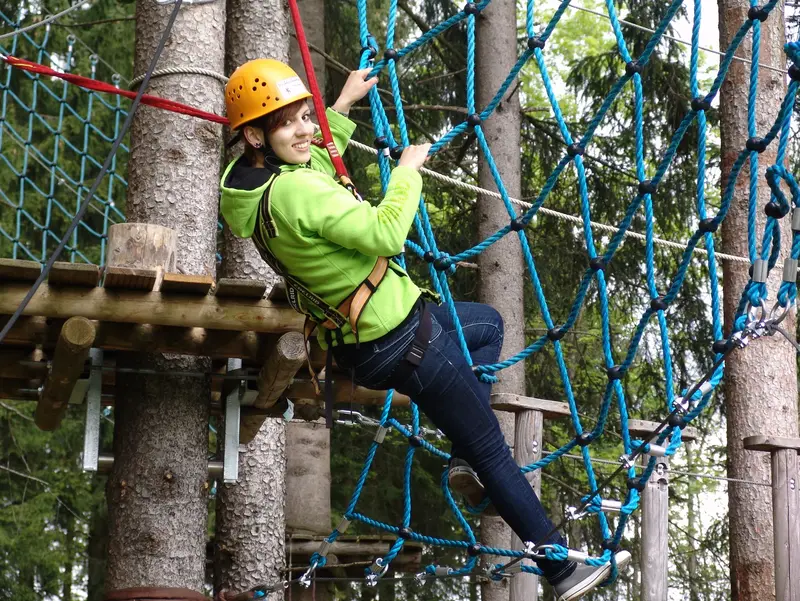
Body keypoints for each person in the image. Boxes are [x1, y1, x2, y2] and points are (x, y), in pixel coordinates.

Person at [219, 58, 630, 601]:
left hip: (373, 335)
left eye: (305, 116)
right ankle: (559, 567)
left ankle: (466, 454)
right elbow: (387, 233)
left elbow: (312, 161)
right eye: (288, 122)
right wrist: (407, 170)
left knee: (486, 326)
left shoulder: (259, 187)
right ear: (253, 135)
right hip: (403, 340)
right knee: (491, 450)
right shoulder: (298, 193)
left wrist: (339, 108)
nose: (305, 130)